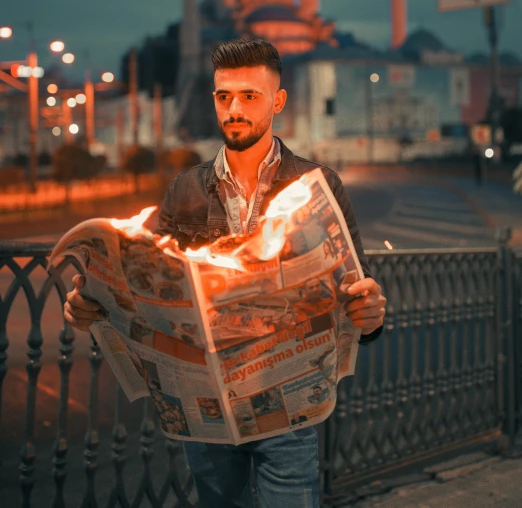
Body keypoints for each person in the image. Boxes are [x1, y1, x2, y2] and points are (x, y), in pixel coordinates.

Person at [63, 38, 386, 508]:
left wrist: (371, 313)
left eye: (249, 97)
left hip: (289, 410)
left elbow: (359, 293)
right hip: (208, 414)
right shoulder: (186, 190)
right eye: (223, 96)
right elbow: (155, 294)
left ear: (277, 101)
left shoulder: (316, 184)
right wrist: (94, 307)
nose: (233, 109)